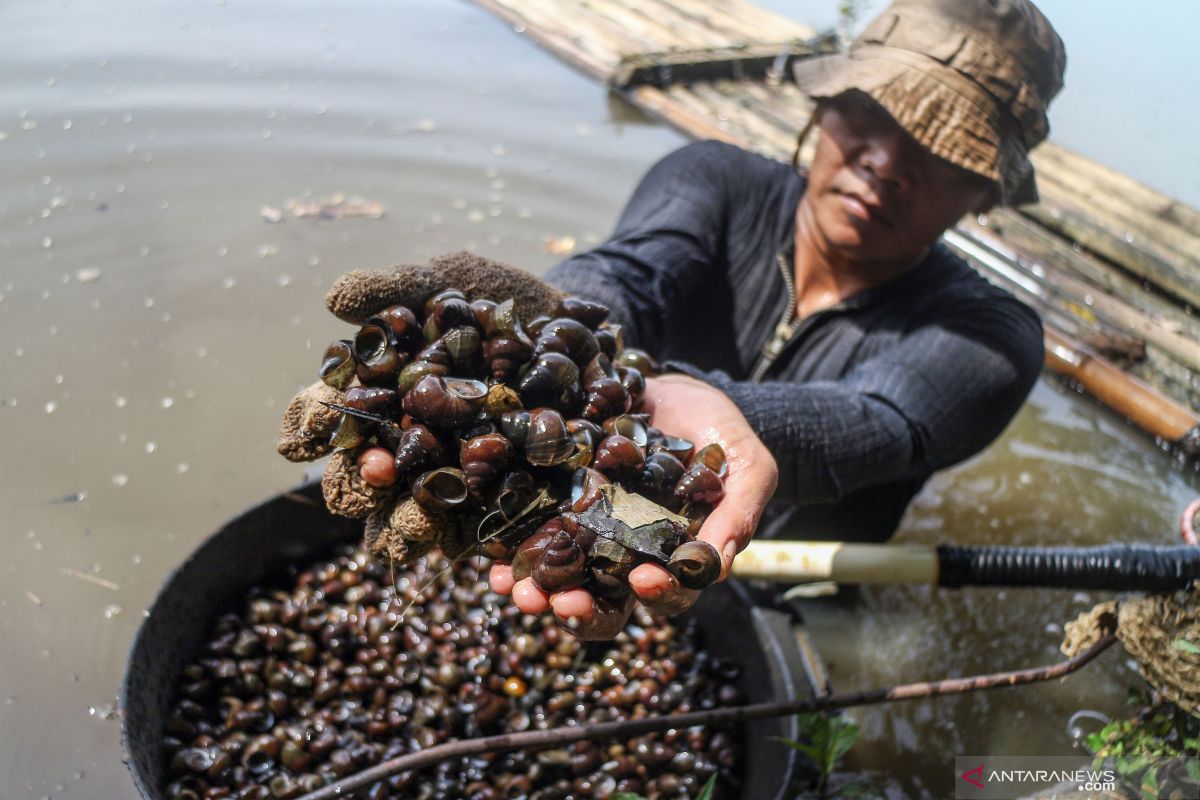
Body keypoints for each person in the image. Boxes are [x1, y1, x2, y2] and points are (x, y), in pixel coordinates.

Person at [288, 0, 1066, 639]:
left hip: (781, 585)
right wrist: (553, 325)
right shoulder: (714, 178)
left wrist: (683, 420)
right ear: (827, 102)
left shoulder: (991, 337)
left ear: (987, 194)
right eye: (872, 111)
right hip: (599, 534)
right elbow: (630, 271)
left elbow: (871, 423)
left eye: (943, 151)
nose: (888, 162)